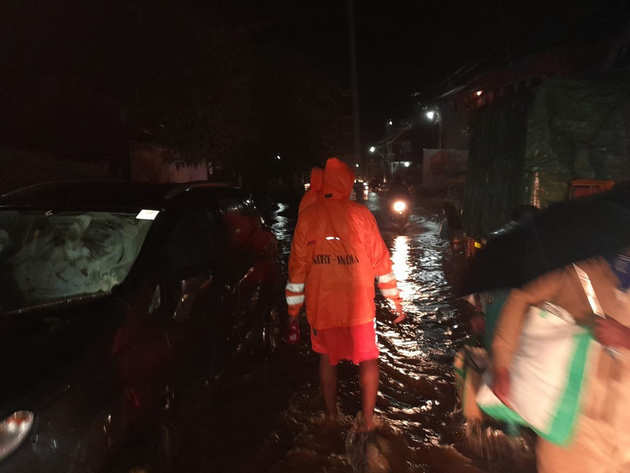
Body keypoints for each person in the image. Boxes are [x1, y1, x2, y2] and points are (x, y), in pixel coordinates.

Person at [286, 157, 405, 432]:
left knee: (327, 360)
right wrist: (395, 301)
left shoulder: (308, 217)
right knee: (368, 358)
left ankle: (330, 416)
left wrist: (293, 314)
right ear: (348, 184)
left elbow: (297, 270)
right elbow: (381, 263)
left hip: (322, 306)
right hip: (359, 307)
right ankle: (367, 421)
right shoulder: (362, 215)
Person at [491, 256, 630, 473]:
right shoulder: (578, 265)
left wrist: (626, 337)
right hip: (573, 425)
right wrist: (503, 366)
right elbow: (522, 297)